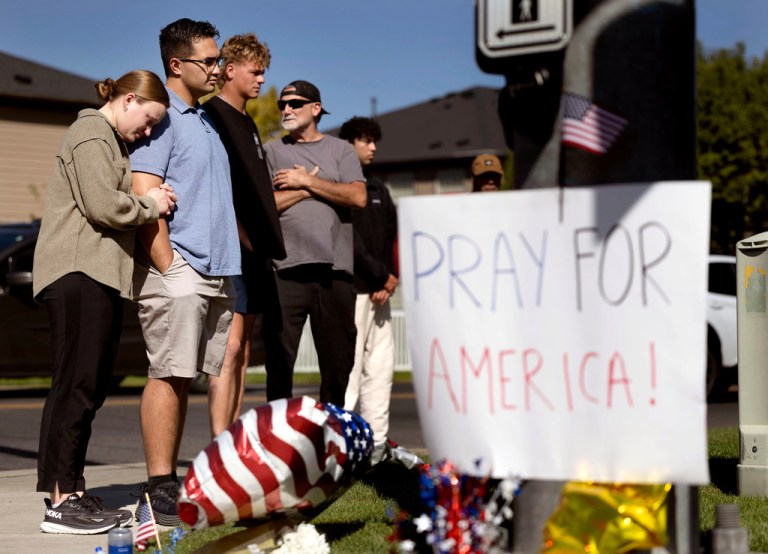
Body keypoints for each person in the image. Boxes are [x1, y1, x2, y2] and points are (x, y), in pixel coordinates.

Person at [33, 70, 175, 534]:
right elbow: (102, 205)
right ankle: (62, 499)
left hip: (96, 274)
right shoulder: (91, 132)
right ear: (128, 98)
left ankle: (69, 490)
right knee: (76, 383)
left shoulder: (109, 141)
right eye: (149, 120)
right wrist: (152, 203)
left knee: (87, 385)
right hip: (78, 271)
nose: (148, 132)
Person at [128, 18, 240, 526]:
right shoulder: (163, 119)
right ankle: (158, 488)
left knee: (187, 377)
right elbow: (143, 190)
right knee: (168, 375)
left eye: (218, 60)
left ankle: (169, 483)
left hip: (214, 271)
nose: (218, 68)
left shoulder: (204, 120)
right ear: (176, 64)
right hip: (182, 269)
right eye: (209, 60)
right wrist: (168, 264)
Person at [263, 80, 366, 406]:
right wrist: (307, 189)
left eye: (294, 103)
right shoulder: (273, 151)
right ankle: (278, 439)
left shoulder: (341, 150)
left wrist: (306, 180)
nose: (286, 110)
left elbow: (358, 196)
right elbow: (267, 207)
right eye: (282, 105)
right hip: (285, 271)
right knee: (279, 364)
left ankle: (329, 439)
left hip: (333, 272)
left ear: (316, 109)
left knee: (337, 364)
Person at [203, 33, 285, 438]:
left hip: (254, 253)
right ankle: (220, 443)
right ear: (229, 69)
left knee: (245, 348)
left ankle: (232, 438)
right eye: (255, 71)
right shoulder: (211, 116)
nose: (261, 79)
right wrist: (238, 234)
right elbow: (214, 187)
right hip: (227, 250)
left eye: (264, 72)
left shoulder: (249, 121)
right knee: (228, 347)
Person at [338, 117, 398, 461]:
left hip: (382, 292)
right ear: (348, 144)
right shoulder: (343, 187)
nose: (373, 147)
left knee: (381, 369)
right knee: (350, 373)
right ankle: (345, 446)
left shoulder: (379, 189)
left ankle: (376, 447)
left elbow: (393, 237)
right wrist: (378, 276)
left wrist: (389, 278)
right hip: (355, 291)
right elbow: (349, 241)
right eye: (365, 141)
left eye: (374, 141)